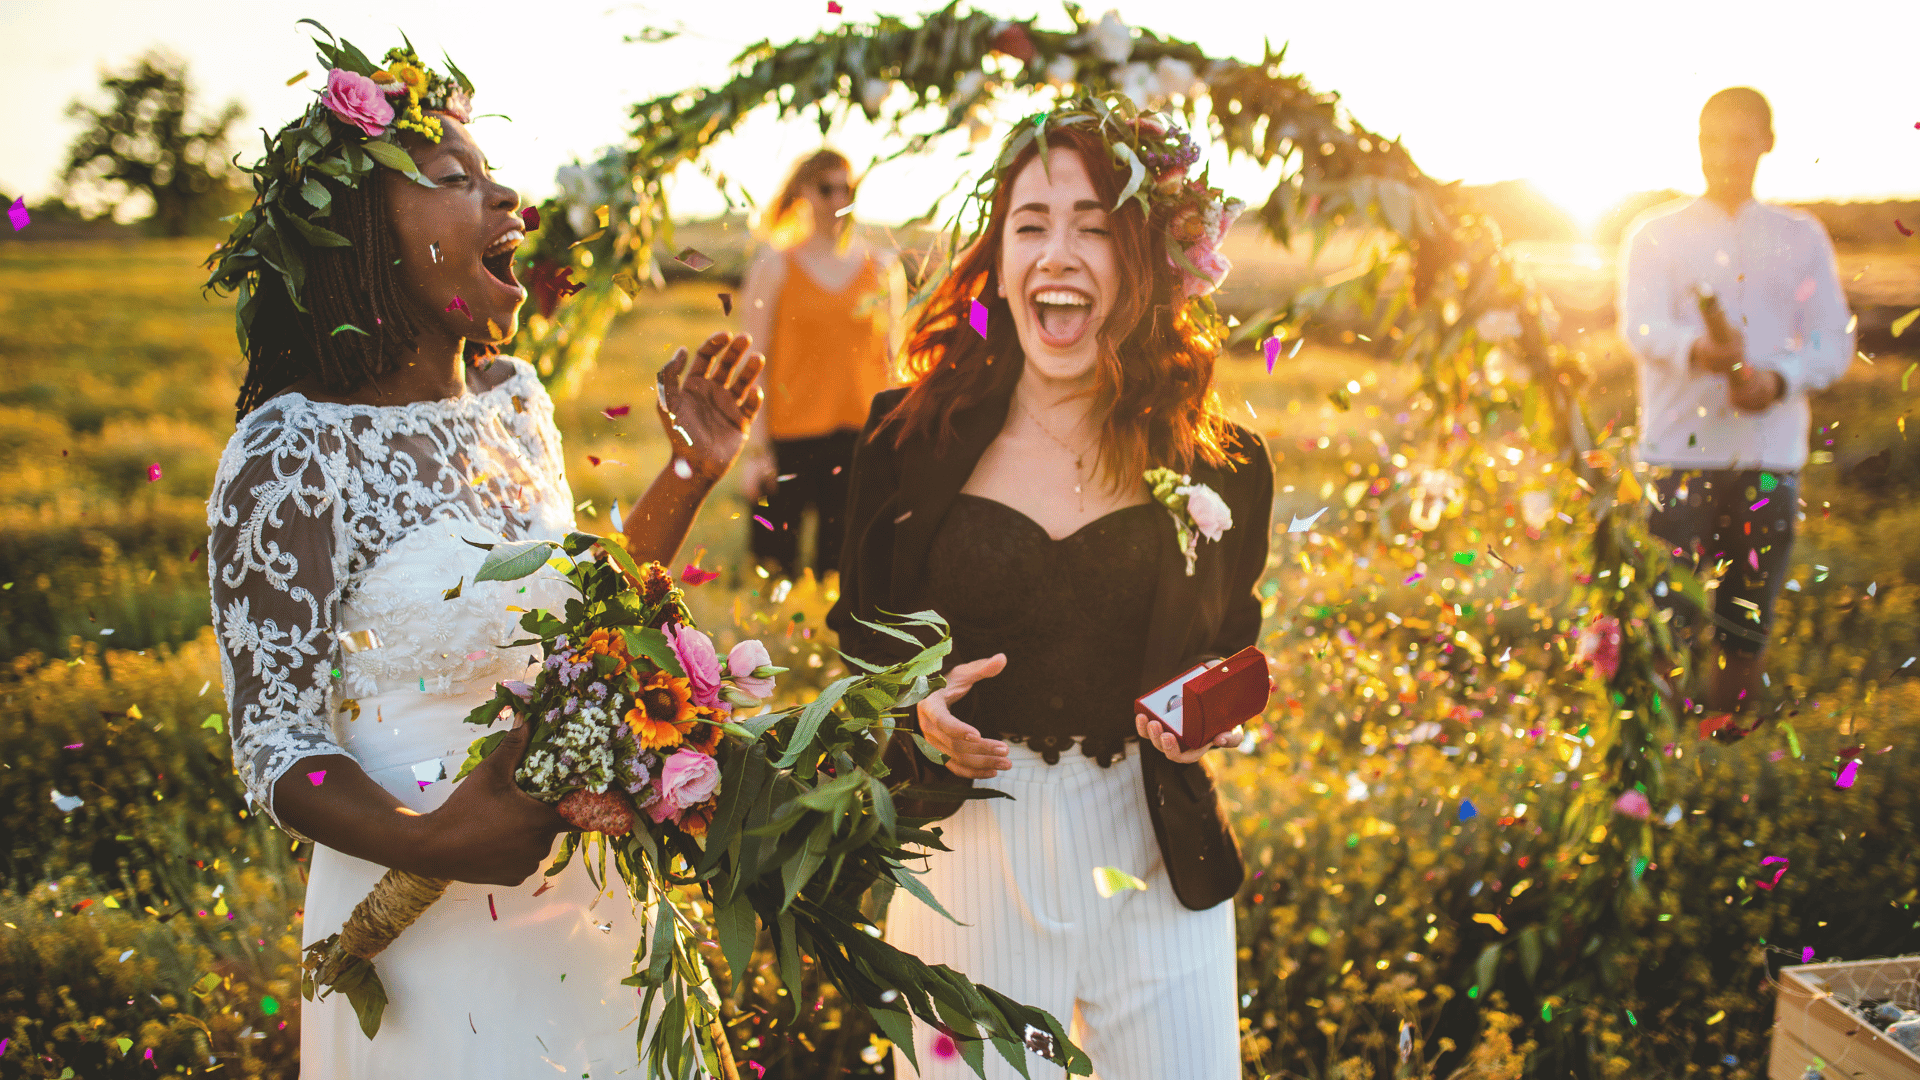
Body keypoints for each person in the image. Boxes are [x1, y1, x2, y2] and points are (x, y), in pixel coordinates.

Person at [202, 30, 762, 1077]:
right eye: (459, 179)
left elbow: (576, 633)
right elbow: (271, 741)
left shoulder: (515, 404)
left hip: (580, 901)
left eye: (497, 178)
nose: (509, 202)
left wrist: (688, 476)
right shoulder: (292, 449)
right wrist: (430, 845)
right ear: (363, 232)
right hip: (417, 919)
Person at [827, 101, 1270, 1080]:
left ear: (1147, 260)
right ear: (998, 254)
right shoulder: (907, 438)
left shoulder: (1222, 464)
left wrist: (1212, 707)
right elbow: (861, 635)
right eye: (1031, 224)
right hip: (969, 855)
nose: (1058, 252)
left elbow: (1232, 635)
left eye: (1095, 226)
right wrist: (914, 706)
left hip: (1157, 854)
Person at [1618, 86, 1852, 732]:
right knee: (1666, 623)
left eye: (1738, 139)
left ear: (1766, 143)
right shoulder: (1655, 234)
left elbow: (1834, 340)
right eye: (1710, 139)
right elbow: (1639, 328)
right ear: (1696, 144)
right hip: (1677, 459)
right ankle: (1655, 762)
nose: (1723, 153)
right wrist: (1698, 349)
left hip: (1768, 459)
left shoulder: (1801, 237)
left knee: (1744, 623)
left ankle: (1725, 756)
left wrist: (1777, 381)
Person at [738, 149, 905, 578]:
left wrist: (895, 451)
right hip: (788, 440)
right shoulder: (774, 266)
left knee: (841, 580)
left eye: (847, 189)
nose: (838, 200)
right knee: (774, 576)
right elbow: (752, 363)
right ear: (803, 193)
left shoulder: (883, 269)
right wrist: (755, 453)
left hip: (858, 441)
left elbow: (893, 364)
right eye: (827, 189)